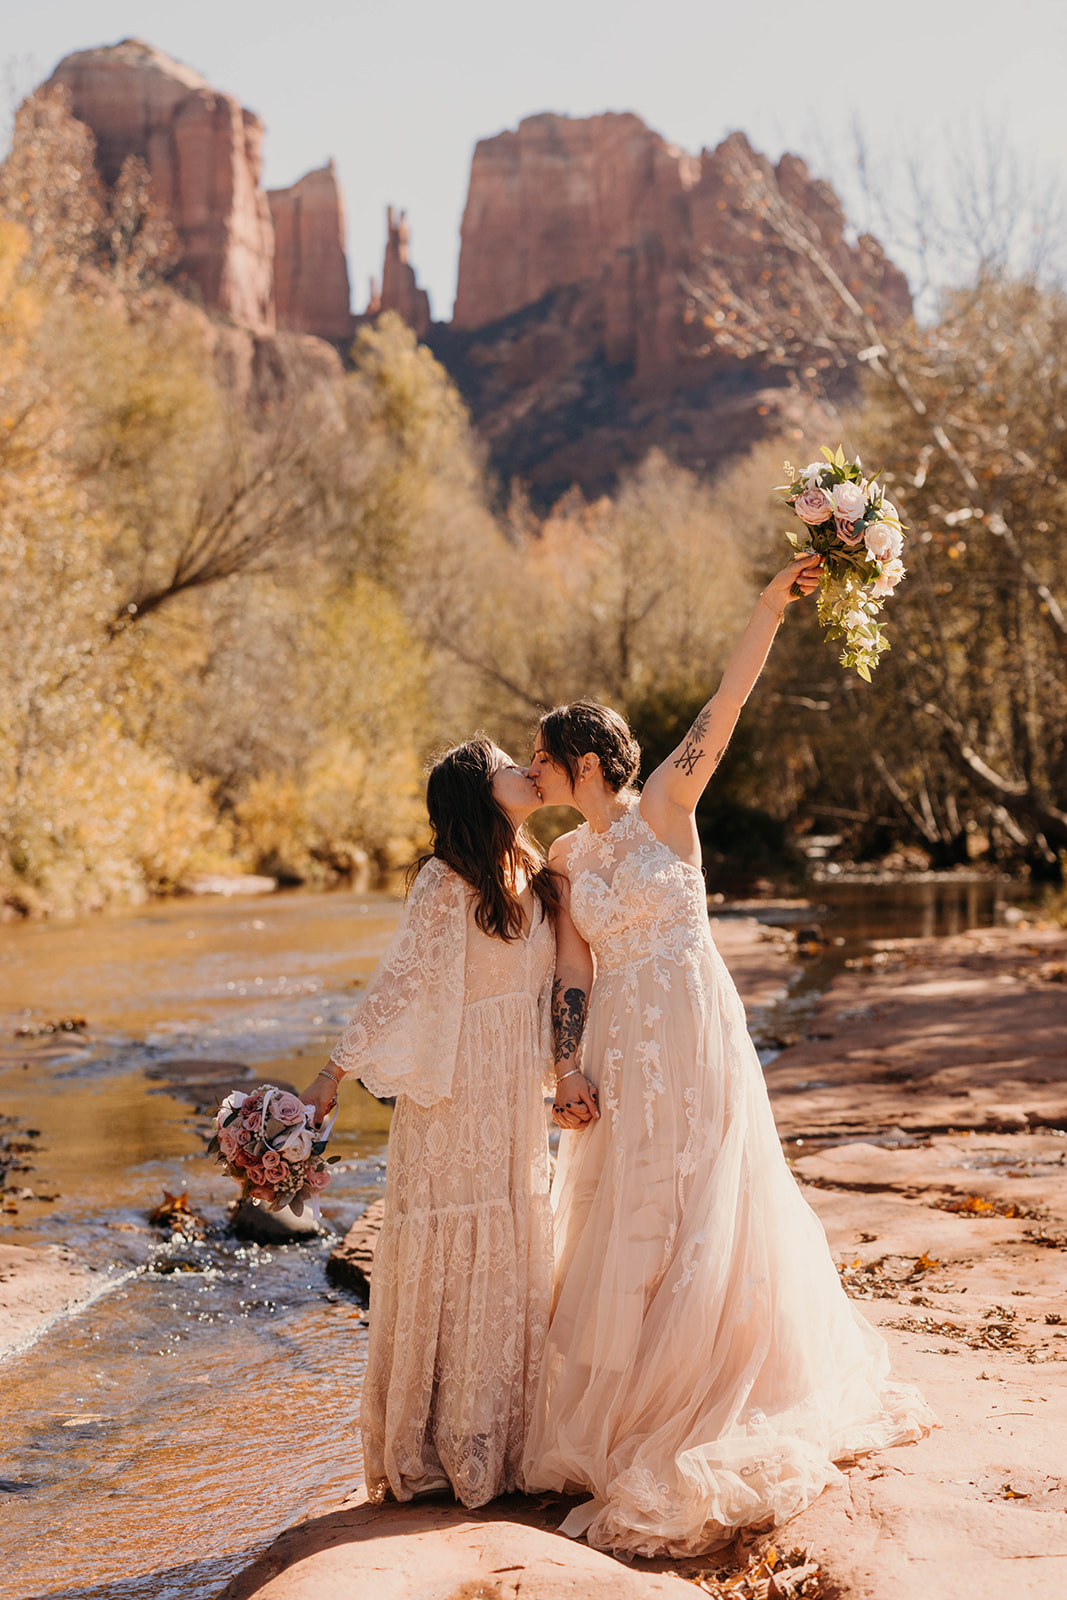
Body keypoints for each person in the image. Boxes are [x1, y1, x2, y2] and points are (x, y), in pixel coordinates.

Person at [522, 555, 937, 1557]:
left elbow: (729, 696)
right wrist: (563, 1068)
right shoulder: (566, 861)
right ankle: (626, 1406)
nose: (531, 774)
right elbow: (570, 970)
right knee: (626, 1203)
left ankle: (712, 1392)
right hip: (618, 1047)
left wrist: (767, 605)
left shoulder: (666, 802)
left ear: (582, 761)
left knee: (707, 1196)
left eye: (540, 759)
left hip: (694, 1036)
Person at [301, 737, 561, 1509]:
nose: (525, 770)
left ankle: (504, 1440)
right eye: (507, 766)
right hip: (451, 1094)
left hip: (513, 1084)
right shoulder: (445, 881)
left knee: (510, 1242)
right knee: (452, 1245)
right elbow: (399, 984)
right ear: (477, 793)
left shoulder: (541, 868)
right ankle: (434, 1444)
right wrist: (331, 1071)